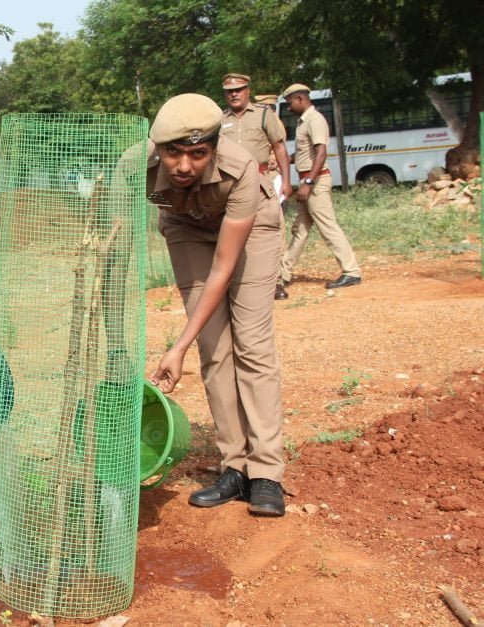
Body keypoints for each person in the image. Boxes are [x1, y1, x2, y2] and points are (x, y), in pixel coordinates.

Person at [143, 93, 286, 517]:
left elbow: (223, 269)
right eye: (173, 153)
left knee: (252, 344)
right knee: (214, 348)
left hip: (250, 228)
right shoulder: (136, 165)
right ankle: (234, 467)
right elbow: (113, 232)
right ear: (158, 148)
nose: (183, 167)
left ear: (214, 149)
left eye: (198, 154)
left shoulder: (240, 167)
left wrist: (176, 346)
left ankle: (266, 473)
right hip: (185, 226)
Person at [280, 83, 362, 290]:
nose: (288, 107)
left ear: (300, 99)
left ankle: (351, 271)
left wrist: (308, 183)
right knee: (300, 228)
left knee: (327, 226)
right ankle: (283, 273)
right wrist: (282, 161)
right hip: (307, 180)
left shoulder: (314, 120)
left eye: (289, 102)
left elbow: (321, 153)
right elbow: (303, 154)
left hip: (315, 182)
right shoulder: (303, 121)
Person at [219, 73, 293, 300]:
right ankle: (236, 282)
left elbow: (279, 148)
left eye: (239, 89)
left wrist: (287, 182)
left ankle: (276, 282)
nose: (234, 94)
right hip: (232, 185)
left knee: (270, 232)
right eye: (230, 91)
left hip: (262, 181)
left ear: (248, 90)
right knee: (234, 234)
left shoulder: (263, 115)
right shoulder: (220, 120)